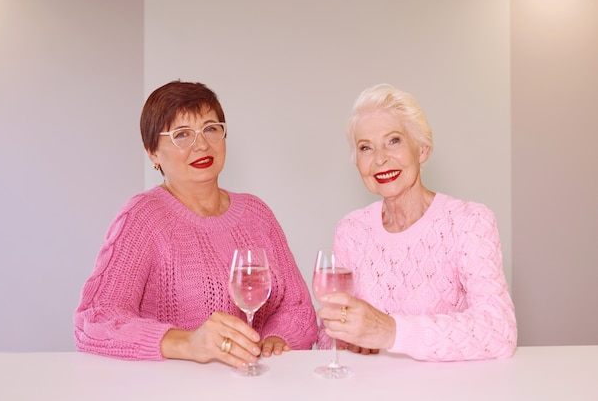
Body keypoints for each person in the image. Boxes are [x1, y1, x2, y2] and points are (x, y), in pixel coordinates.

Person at [74, 81, 318, 368]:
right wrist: (188, 343)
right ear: (152, 151)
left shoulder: (257, 213)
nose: (201, 144)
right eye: (182, 135)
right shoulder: (143, 217)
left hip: (258, 384)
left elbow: (297, 307)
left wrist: (277, 339)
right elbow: (94, 320)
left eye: (211, 129)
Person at [316, 84, 517, 362]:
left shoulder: (469, 222)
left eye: (394, 141)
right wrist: (347, 339)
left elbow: (499, 332)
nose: (380, 159)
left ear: (422, 149)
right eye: (366, 148)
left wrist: (390, 331)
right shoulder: (351, 230)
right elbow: (328, 336)